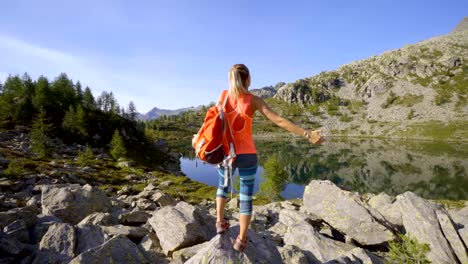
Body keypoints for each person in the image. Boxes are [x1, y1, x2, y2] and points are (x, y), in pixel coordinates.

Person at [214, 64, 323, 252]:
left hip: (226, 153)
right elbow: (279, 121)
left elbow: (214, 122)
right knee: (246, 196)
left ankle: (219, 222)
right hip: (247, 154)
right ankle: (241, 239)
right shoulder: (253, 100)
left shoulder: (223, 97)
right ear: (247, 79)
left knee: (222, 187)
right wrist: (307, 133)